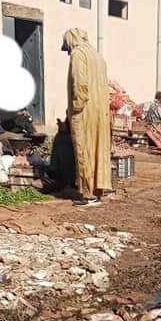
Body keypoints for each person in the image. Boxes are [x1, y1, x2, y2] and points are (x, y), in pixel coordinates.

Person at [62, 28, 111, 206]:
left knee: (84, 151)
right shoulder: (98, 56)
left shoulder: (78, 54)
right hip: (100, 112)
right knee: (98, 150)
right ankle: (98, 191)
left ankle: (87, 194)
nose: (67, 50)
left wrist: (75, 109)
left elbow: (80, 85)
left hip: (84, 112)